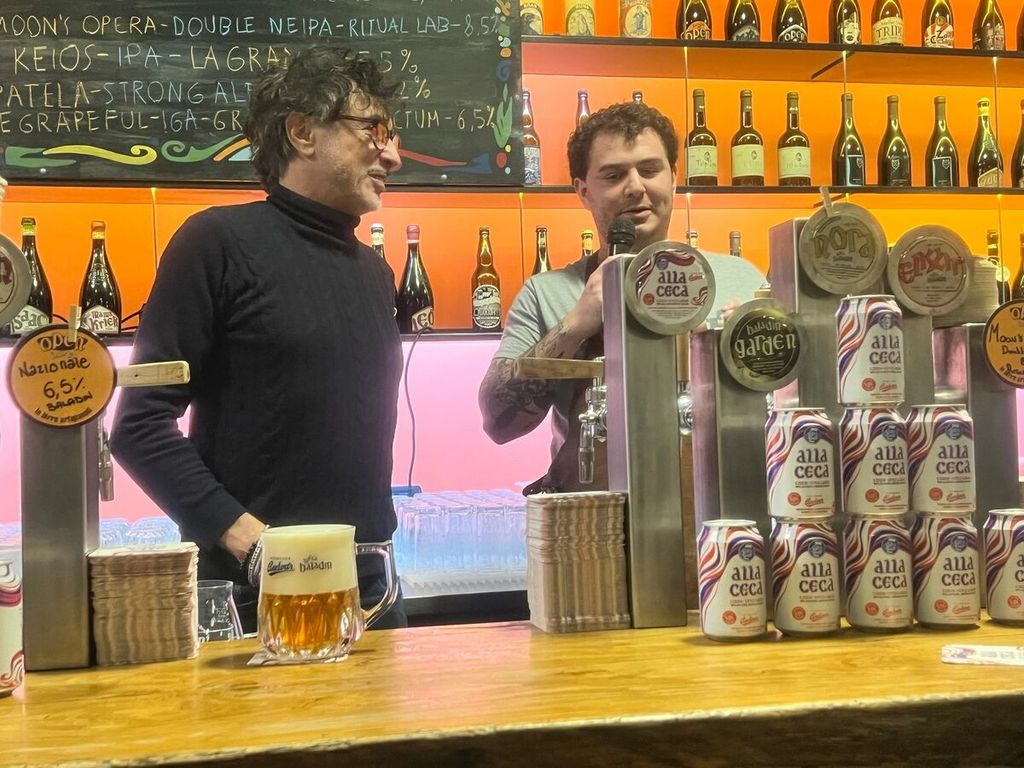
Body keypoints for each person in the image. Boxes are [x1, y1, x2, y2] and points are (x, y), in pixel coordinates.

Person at [110, 45, 407, 632]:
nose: (393, 155)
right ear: (302, 132)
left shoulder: (377, 273)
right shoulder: (215, 242)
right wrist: (255, 548)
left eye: (393, 135)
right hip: (255, 593)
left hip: (372, 589)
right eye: (373, 130)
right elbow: (139, 428)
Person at [478, 102, 763, 494]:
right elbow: (500, 423)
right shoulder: (546, 293)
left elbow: (794, 410)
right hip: (592, 521)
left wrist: (743, 357)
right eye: (614, 175)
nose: (636, 187)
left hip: (719, 516)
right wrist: (573, 325)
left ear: (674, 178)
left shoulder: (741, 280)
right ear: (583, 191)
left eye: (650, 169)